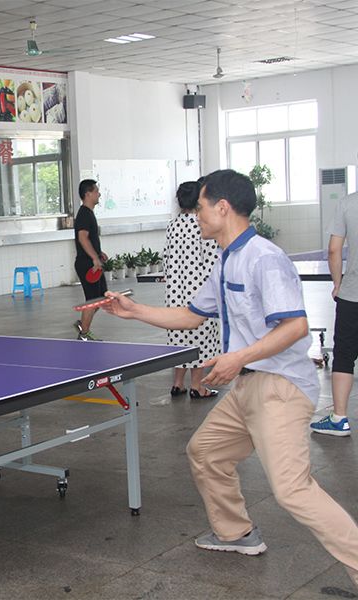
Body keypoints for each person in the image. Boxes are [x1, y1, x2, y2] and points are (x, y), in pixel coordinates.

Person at [102, 169, 358, 588]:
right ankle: (236, 532)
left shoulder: (264, 258)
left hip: (280, 387)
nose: (196, 215)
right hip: (248, 386)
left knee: (292, 489)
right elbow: (191, 315)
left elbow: (295, 327)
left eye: (201, 208)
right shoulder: (225, 260)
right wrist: (135, 312)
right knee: (205, 452)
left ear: (222, 208)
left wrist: (238, 357)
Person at [164, 181, 220, 398]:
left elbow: (166, 259)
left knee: (179, 338)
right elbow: (212, 262)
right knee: (201, 339)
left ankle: (177, 384)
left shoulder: (172, 226)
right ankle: (198, 386)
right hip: (199, 293)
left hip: (174, 292)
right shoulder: (202, 225)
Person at [311, 191, 358, 436]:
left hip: (353, 295)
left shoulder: (348, 203)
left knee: (344, 356)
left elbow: (333, 250)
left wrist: (338, 284)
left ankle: (339, 418)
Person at [74, 179, 107, 341]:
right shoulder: (84, 214)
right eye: (96, 191)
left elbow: (89, 239)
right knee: (93, 300)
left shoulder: (88, 213)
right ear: (88, 194)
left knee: (101, 298)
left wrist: (99, 253)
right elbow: (82, 238)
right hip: (87, 264)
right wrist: (94, 258)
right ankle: (84, 334)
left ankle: (82, 325)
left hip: (92, 262)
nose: (99, 194)